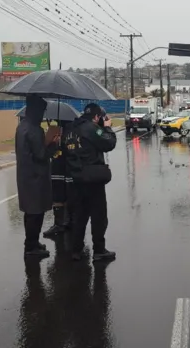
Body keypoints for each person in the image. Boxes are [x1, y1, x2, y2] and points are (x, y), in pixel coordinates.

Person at [64, 103, 117, 262]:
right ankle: (99, 250)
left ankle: (76, 250)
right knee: (99, 216)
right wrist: (107, 127)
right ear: (96, 117)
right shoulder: (92, 128)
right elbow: (109, 143)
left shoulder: (70, 129)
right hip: (93, 179)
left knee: (79, 215)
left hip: (76, 178)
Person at [16, 95, 60, 258]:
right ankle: (31, 247)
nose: (42, 114)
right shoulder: (35, 130)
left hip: (25, 176)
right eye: (41, 111)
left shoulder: (22, 126)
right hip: (36, 177)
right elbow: (41, 155)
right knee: (36, 213)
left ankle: (32, 242)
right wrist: (53, 144)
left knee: (30, 212)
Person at [43, 119, 74, 238]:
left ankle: (68, 222)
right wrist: (52, 141)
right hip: (56, 169)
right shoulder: (55, 131)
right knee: (57, 197)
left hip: (67, 169)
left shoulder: (71, 132)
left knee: (67, 196)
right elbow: (47, 150)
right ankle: (59, 224)